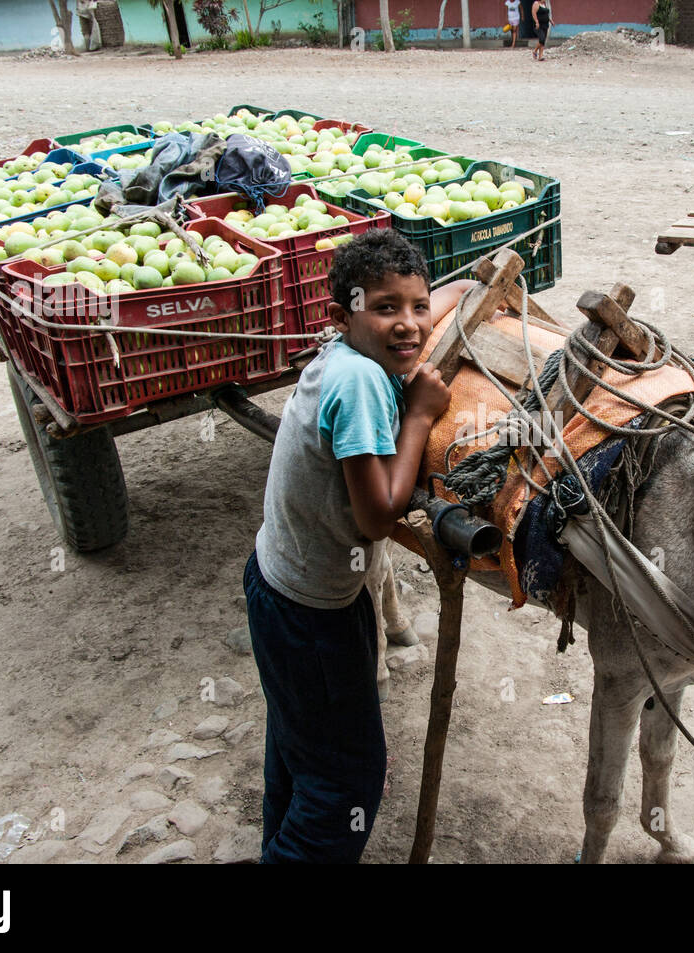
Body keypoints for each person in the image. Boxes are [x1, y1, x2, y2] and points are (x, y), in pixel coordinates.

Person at [246, 229, 472, 863]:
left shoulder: (339, 359)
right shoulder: (364, 385)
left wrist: (465, 288)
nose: (408, 325)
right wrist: (422, 416)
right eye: (385, 308)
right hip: (313, 613)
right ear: (340, 315)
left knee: (298, 744)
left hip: (275, 582)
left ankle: (276, 845)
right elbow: (377, 518)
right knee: (348, 781)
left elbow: (431, 301)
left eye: (417, 307)